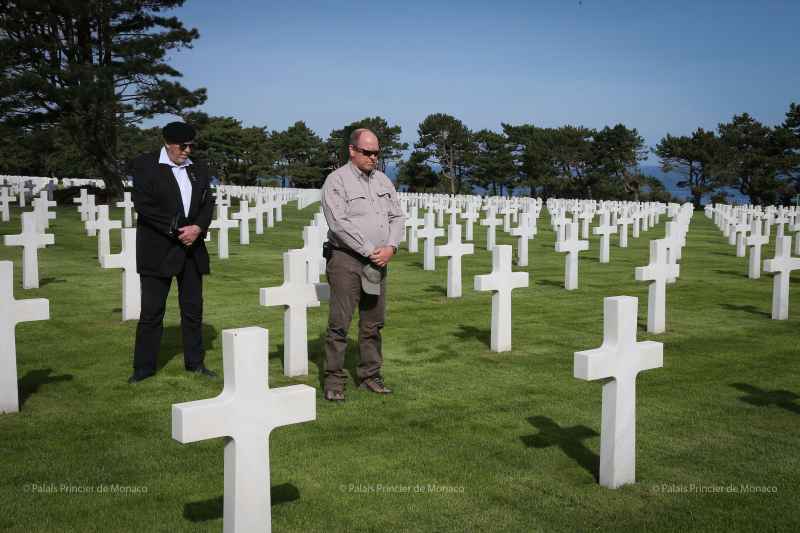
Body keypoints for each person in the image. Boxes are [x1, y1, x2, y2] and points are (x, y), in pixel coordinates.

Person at [128, 122, 216, 383]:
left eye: (191, 145)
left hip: (192, 249)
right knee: (152, 312)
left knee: (193, 309)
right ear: (168, 143)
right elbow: (144, 206)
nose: (188, 150)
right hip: (158, 249)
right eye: (183, 146)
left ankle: (195, 363)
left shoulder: (198, 168)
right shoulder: (145, 165)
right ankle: (144, 368)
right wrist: (180, 229)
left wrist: (198, 227)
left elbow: (206, 202)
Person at [321, 128, 405, 401]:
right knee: (340, 323)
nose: (373, 158)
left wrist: (391, 247)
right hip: (346, 259)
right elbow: (339, 223)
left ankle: (371, 374)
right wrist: (371, 250)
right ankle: (334, 379)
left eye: (377, 153)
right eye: (367, 152)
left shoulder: (383, 181)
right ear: (352, 151)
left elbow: (397, 217)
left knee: (373, 323)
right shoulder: (337, 181)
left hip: (379, 260)